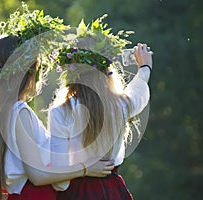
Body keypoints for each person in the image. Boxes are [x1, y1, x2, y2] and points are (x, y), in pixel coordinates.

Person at [0, 5, 114, 200]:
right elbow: (37, 175)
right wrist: (85, 169)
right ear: (29, 73)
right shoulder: (19, 111)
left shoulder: (5, 110)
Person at [48, 18, 153, 200]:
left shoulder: (60, 111)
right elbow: (138, 92)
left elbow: (60, 181)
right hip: (113, 190)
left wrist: (82, 169)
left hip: (76, 193)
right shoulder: (120, 105)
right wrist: (144, 67)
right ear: (106, 70)